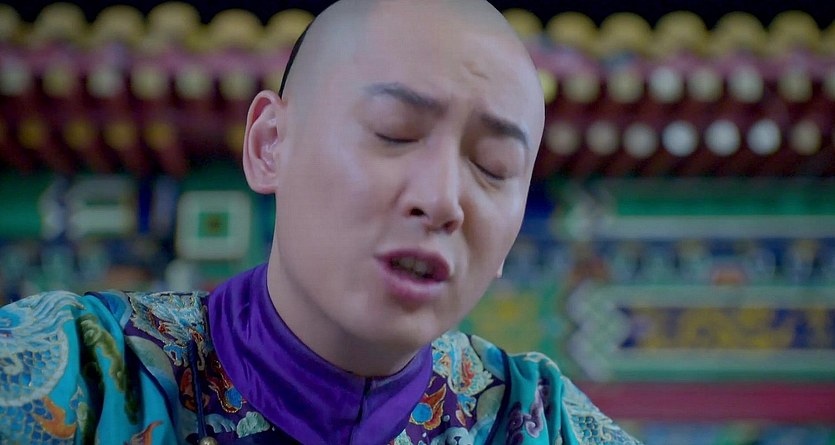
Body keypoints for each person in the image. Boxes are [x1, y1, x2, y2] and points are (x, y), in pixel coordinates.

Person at [0, 1, 641, 444]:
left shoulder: (535, 424)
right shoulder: (83, 377)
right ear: (269, 144)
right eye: (395, 133)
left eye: (493, 167)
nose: (443, 199)